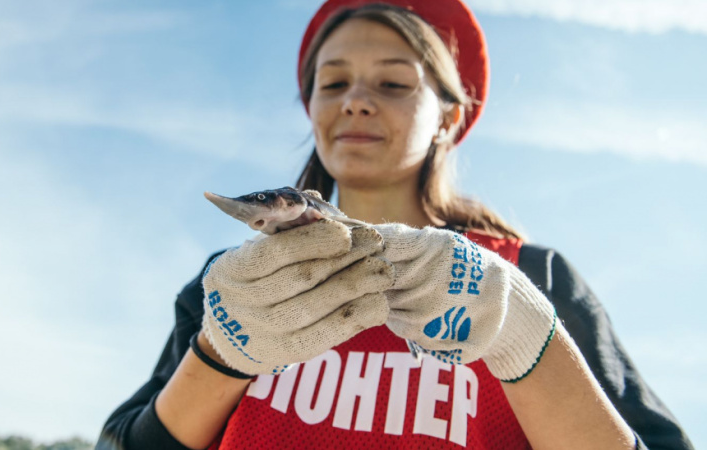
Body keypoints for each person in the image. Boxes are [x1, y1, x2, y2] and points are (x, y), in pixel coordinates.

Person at [97, 0, 693, 448]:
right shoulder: (234, 284)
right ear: (314, 111)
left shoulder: (533, 275)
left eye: (392, 82)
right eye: (333, 83)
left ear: (449, 118)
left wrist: (523, 338)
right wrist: (220, 353)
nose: (356, 99)